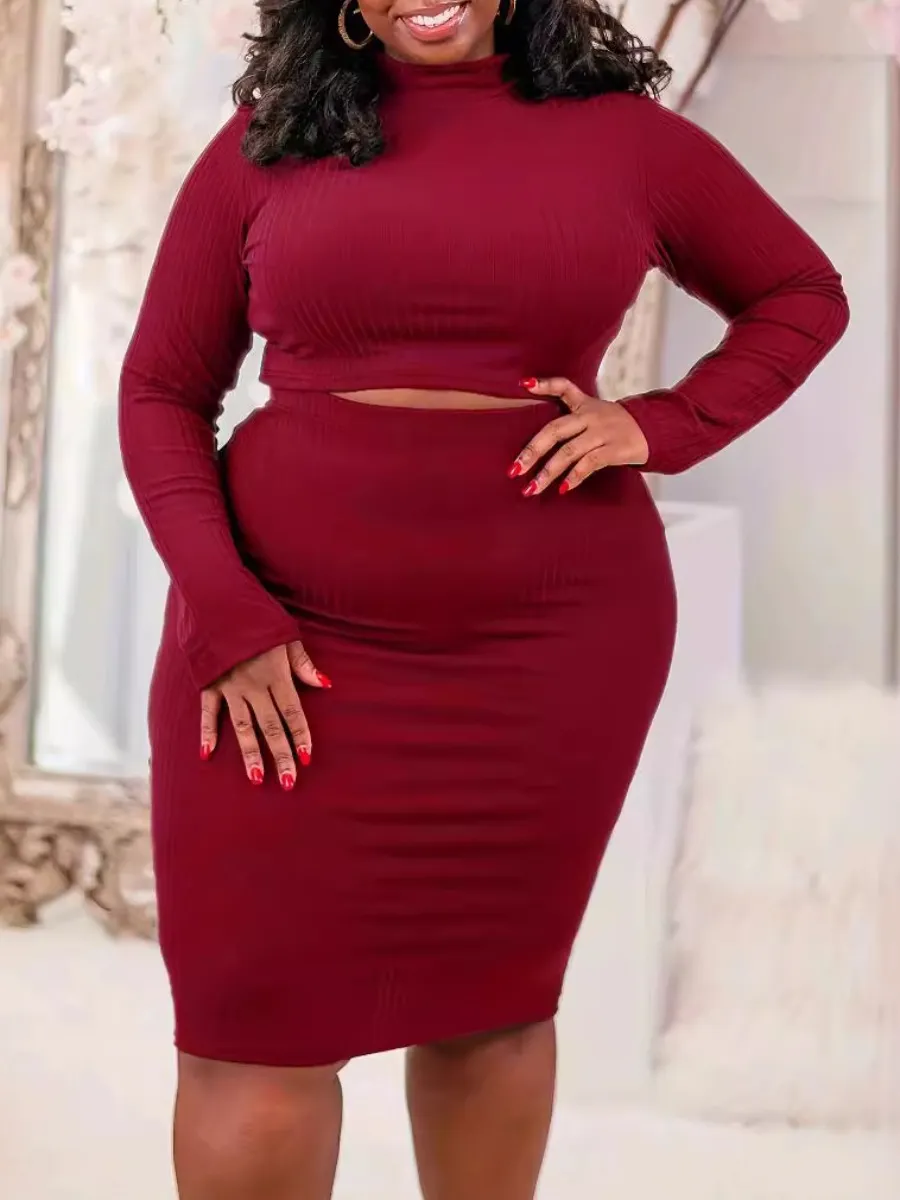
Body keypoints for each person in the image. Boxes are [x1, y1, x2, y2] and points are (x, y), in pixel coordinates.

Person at [118, 0, 849, 1196]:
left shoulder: (628, 143)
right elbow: (160, 388)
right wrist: (228, 613)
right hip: (281, 639)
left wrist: (661, 425)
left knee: (489, 1012)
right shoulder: (272, 139)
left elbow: (801, 292)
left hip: (546, 646)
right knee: (248, 1023)